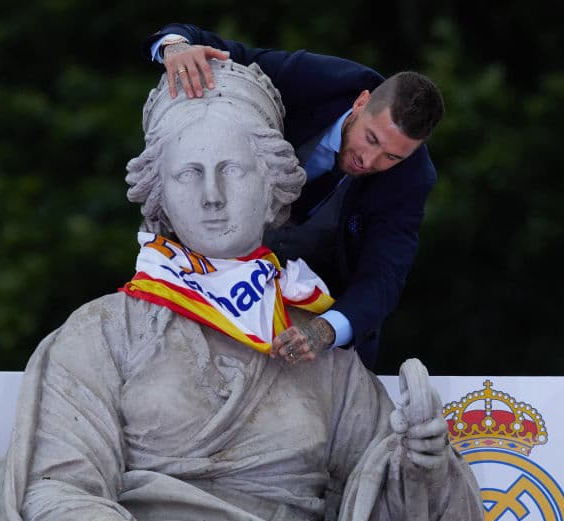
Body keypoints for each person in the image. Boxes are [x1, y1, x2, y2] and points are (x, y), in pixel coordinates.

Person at [0, 60, 483, 521]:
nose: (213, 196)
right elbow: (53, 492)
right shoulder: (103, 329)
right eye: (188, 173)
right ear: (161, 194)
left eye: (233, 170)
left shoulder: (319, 347)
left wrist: (424, 469)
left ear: (275, 184)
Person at [143, 24, 444, 370]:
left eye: (392, 157)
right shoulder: (320, 80)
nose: (369, 160)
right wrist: (176, 46)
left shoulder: (412, 178)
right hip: (213, 264)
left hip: (314, 305)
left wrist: (326, 331)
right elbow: (229, 55)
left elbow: (384, 276)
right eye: (371, 139)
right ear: (361, 103)